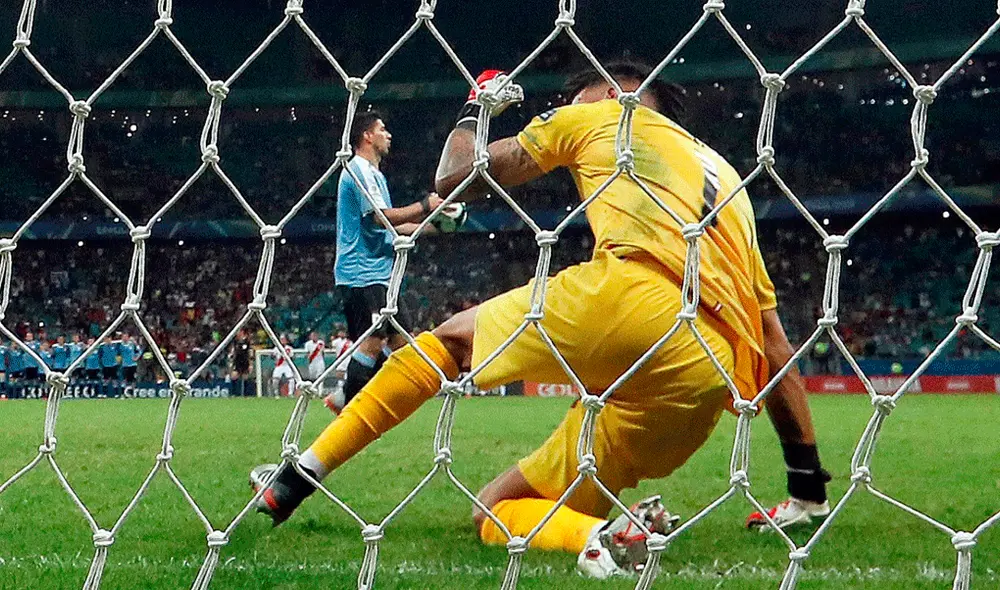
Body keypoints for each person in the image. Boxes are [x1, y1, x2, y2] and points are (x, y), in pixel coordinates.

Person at [251, 62, 830, 577]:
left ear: (614, 92)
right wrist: (806, 483)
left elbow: (457, 177)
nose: (570, 107)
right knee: (495, 510)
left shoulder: (602, 115)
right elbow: (775, 344)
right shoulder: (731, 186)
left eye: (579, 98)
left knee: (450, 343)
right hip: (702, 378)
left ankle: (298, 477)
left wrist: (476, 107)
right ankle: (603, 535)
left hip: (631, 299)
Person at [321, 109, 446, 414]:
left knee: (400, 342)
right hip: (360, 273)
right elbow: (380, 218)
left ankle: (348, 395)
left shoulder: (375, 175)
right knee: (373, 341)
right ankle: (351, 409)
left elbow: (389, 226)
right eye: (382, 129)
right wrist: (424, 205)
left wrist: (435, 226)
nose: (388, 135)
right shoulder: (358, 169)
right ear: (367, 136)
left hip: (380, 273)